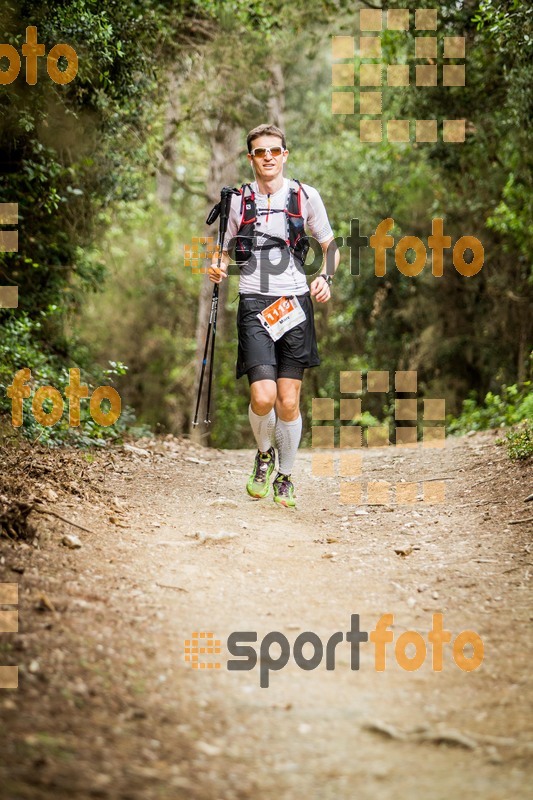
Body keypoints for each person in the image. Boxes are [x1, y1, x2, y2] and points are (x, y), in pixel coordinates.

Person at [208, 123, 339, 508]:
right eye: (260, 152)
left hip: (295, 303)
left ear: (285, 154)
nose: (268, 157)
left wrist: (326, 277)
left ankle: (285, 477)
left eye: (274, 151)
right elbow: (224, 250)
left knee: (288, 401)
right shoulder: (238, 200)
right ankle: (264, 455)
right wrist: (216, 266)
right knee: (263, 397)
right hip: (254, 302)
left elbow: (329, 244)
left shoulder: (305, 196)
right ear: (251, 158)